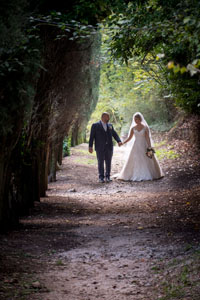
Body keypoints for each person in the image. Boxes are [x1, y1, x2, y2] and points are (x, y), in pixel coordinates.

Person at [116, 112, 164, 181]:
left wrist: (149, 147)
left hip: (144, 144)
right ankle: (134, 174)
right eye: (135, 119)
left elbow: (147, 138)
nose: (136, 121)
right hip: (136, 146)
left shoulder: (145, 127)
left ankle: (149, 173)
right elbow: (129, 138)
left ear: (140, 119)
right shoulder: (133, 128)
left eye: (137, 119)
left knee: (147, 158)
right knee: (135, 159)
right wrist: (123, 143)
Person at [89, 112, 122, 183]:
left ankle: (108, 177)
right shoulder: (95, 125)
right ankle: (101, 177)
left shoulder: (110, 126)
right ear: (103, 117)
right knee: (100, 162)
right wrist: (90, 146)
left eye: (109, 117)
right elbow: (92, 136)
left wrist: (119, 141)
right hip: (99, 147)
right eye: (107, 117)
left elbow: (114, 134)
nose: (108, 118)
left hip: (109, 147)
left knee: (108, 162)